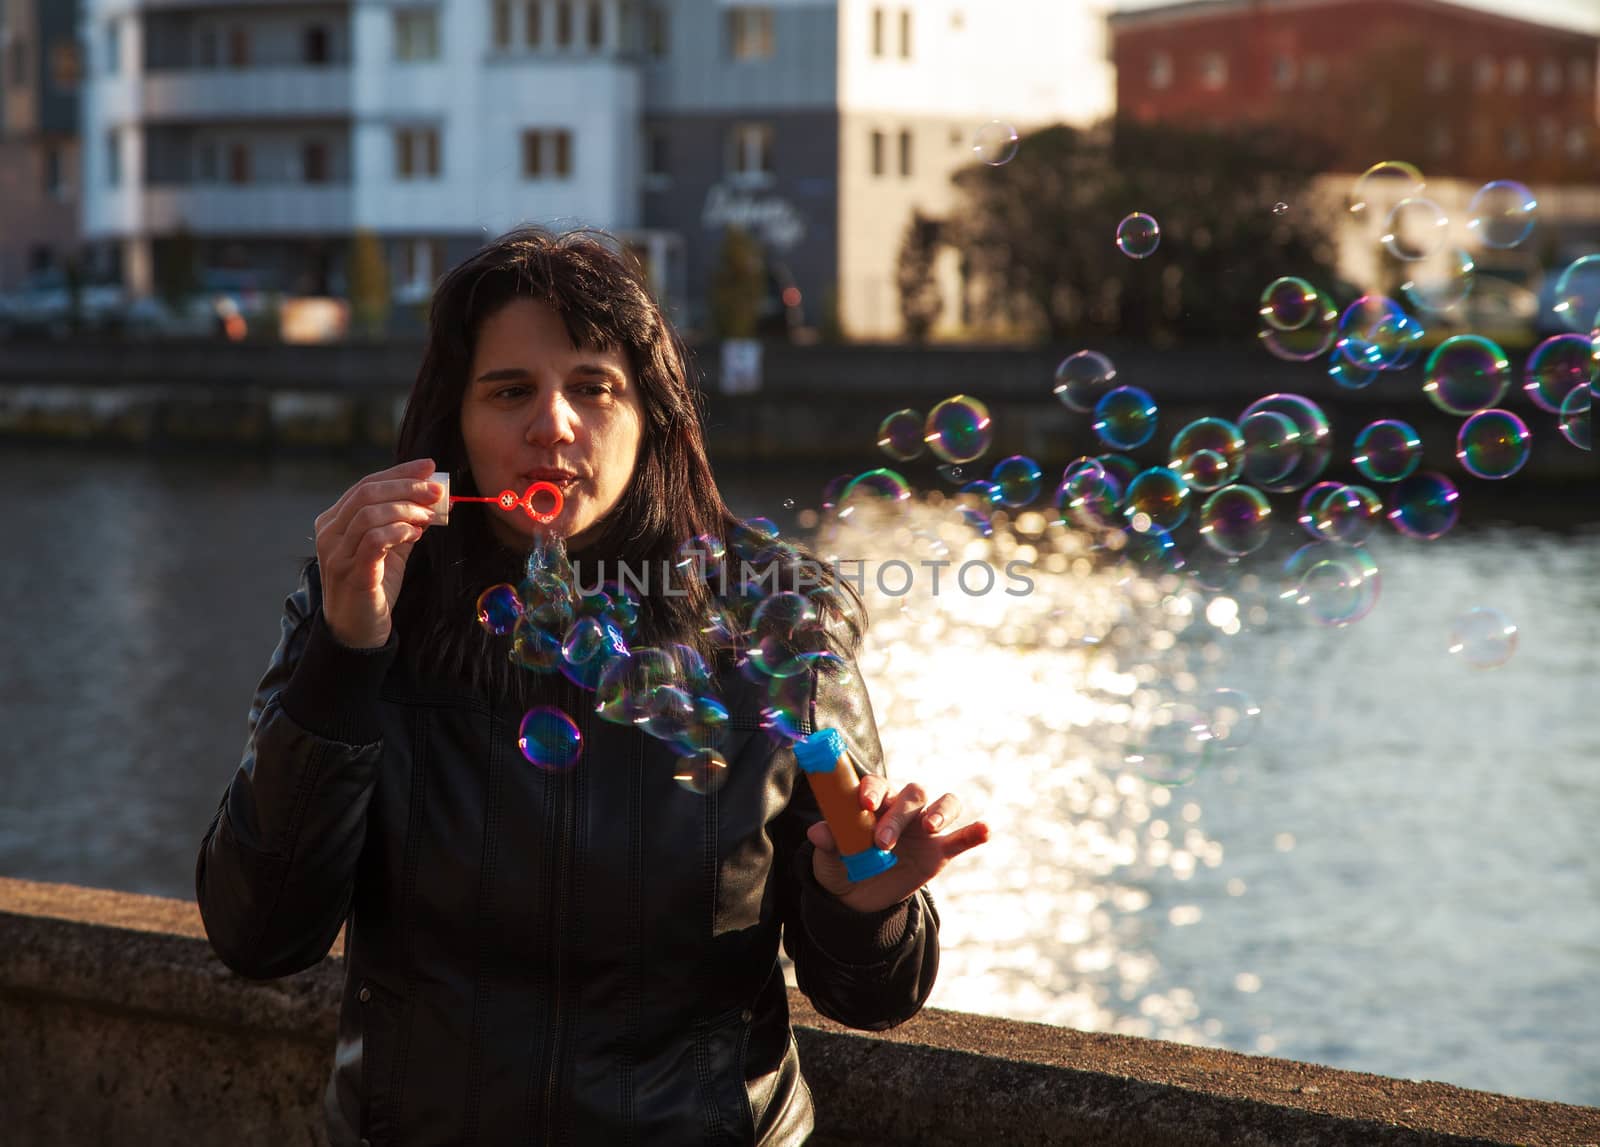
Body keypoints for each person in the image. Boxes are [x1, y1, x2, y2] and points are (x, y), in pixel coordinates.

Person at [196, 226, 991, 1146]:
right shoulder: (368, 606)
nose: (553, 424)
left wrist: (869, 907)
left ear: (652, 414)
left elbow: (872, 995)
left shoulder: (776, 618)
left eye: (592, 386)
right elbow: (257, 935)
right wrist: (344, 655)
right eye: (508, 390)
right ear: (452, 423)